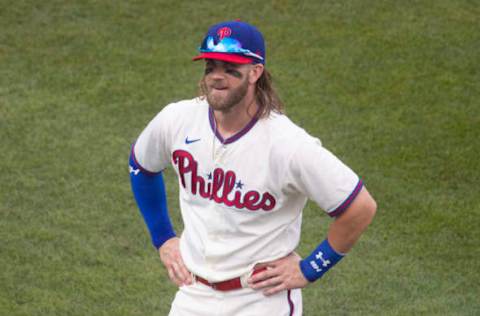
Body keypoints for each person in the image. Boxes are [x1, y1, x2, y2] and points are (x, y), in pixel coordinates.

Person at [129, 20, 377, 316]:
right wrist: (163, 238)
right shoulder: (177, 119)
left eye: (230, 68)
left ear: (255, 72)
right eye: (211, 66)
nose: (217, 77)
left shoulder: (289, 146)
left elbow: (359, 207)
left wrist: (310, 268)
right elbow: (141, 167)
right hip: (193, 295)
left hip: (259, 300)